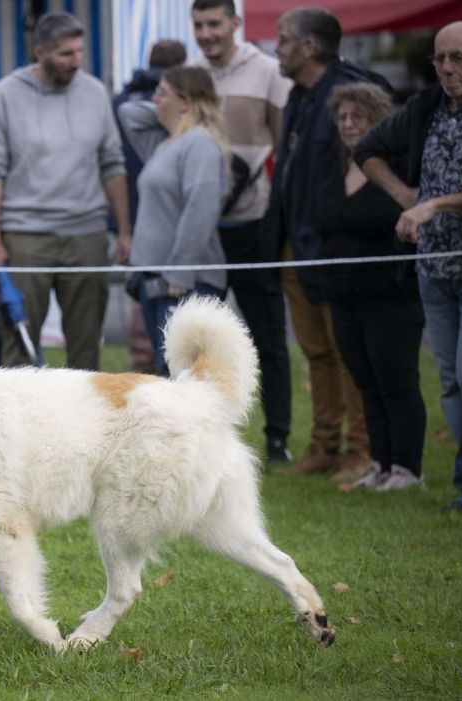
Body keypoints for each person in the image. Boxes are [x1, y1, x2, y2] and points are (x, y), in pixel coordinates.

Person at [265, 7, 390, 478]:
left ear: (308, 47)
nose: (276, 48)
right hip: (296, 246)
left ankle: (361, 449)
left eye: (282, 40)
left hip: (338, 247)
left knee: (347, 352)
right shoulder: (297, 95)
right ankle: (324, 445)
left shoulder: (354, 91)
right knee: (315, 351)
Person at [355, 21, 462, 511]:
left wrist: (432, 205)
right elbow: (367, 151)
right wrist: (406, 195)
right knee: (448, 381)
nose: (446, 68)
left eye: (459, 58)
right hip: (431, 269)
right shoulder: (425, 107)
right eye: (439, 59)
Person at [0, 11, 132, 370]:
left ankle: (84, 427)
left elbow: (113, 164)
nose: (76, 60)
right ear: (40, 52)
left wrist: (124, 231)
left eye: (79, 51)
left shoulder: (95, 92)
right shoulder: (6, 95)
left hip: (87, 234)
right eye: (66, 53)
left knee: (87, 348)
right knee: (20, 346)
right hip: (25, 235)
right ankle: (17, 426)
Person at [191, 0, 295, 464]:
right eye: (198, 25)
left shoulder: (269, 71)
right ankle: (193, 436)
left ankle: (278, 439)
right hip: (203, 227)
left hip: (254, 224)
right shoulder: (188, 72)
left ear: (236, 23)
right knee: (196, 337)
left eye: (215, 24)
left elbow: (285, 145)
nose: (207, 33)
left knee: (266, 335)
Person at [317, 83, 425, 488]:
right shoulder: (334, 167)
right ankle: (380, 464)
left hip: (390, 294)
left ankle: (407, 468)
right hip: (344, 296)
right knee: (366, 383)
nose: (348, 124)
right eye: (342, 117)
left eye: (357, 117)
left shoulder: (395, 167)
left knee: (397, 381)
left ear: (378, 120)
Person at [122, 66, 229, 375]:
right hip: (157, 279)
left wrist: (180, 273)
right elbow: (128, 113)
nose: (154, 99)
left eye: (162, 93)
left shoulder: (200, 143)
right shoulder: (165, 142)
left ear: (185, 102)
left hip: (184, 283)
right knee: (167, 372)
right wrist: (168, 107)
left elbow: (201, 209)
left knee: (182, 376)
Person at [113, 39, 186, 375]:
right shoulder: (137, 108)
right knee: (165, 334)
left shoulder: (125, 99)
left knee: (153, 331)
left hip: (140, 225)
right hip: (152, 229)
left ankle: (145, 377)